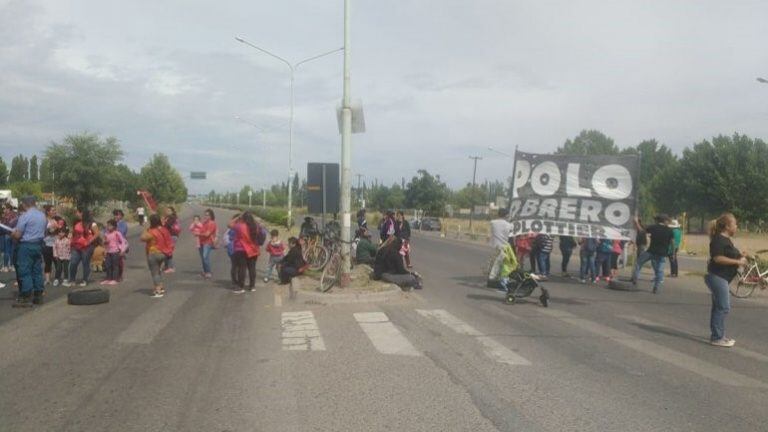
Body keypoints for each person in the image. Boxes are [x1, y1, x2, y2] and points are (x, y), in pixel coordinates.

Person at [705, 213, 745, 347]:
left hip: (722, 278)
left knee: (718, 307)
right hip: (717, 277)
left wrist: (742, 256)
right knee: (723, 307)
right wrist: (737, 261)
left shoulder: (726, 240)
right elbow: (718, 258)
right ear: (727, 226)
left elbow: (729, 255)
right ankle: (717, 338)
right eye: (735, 224)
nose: (736, 226)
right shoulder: (718, 240)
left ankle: (718, 335)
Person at [11, 196, 47, 306]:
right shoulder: (42, 216)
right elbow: (44, 231)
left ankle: (26, 295)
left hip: (26, 245)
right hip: (38, 245)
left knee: (24, 270)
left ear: (25, 204)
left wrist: (12, 233)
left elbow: (18, 235)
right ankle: (38, 294)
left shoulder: (25, 216)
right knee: (37, 270)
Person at [632, 214, 674, 293]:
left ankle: (635, 278)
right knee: (659, 270)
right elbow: (672, 243)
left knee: (638, 262)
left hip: (651, 251)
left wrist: (636, 222)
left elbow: (641, 231)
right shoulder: (669, 230)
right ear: (665, 221)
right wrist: (673, 253)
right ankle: (656, 287)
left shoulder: (653, 227)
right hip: (662, 253)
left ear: (657, 221)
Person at [140, 214, 174, 298]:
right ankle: (161, 287)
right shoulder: (164, 229)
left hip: (154, 253)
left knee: (154, 273)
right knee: (158, 271)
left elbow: (143, 238)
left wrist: (145, 228)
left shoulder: (151, 231)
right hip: (164, 253)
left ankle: (158, 290)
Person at [65, 208, 100, 287]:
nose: (76, 214)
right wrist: (70, 238)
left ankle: (85, 280)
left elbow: (97, 234)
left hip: (87, 247)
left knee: (85, 263)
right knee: (73, 262)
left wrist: (89, 242)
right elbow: (73, 232)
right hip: (76, 246)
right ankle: (72, 280)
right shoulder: (76, 222)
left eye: (77, 212)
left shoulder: (92, 223)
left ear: (82, 213)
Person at [229, 211, 260, 293]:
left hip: (241, 249)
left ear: (243, 218)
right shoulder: (255, 226)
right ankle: (252, 286)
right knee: (252, 268)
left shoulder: (240, 226)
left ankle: (241, 287)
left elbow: (229, 224)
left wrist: (238, 217)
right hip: (253, 250)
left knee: (242, 268)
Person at [101, 219, 128, 285]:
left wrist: (122, 251)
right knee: (108, 266)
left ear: (114, 226)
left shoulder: (117, 233)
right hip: (108, 252)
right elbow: (104, 242)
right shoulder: (106, 233)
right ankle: (108, 278)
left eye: (110, 226)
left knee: (115, 266)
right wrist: (105, 243)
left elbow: (123, 242)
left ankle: (115, 279)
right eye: (107, 225)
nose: (108, 227)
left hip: (115, 252)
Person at [194, 209, 217, 279]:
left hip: (208, 242)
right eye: (205, 214)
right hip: (201, 242)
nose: (205, 216)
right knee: (203, 258)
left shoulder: (212, 223)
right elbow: (200, 231)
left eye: (207, 215)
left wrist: (199, 233)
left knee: (205, 257)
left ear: (211, 216)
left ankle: (208, 272)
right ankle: (205, 271)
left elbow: (207, 234)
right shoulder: (204, 223)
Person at [42, 205, 57, 285]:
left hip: (55, 244)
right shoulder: (44, 220)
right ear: (48, 212)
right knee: (48, 262)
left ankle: (57, 278)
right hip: (46, 244)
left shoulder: (56, 220)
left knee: (57, 262)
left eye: (55, 210)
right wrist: (50, 230)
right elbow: (42, 231)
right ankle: (47, 279)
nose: (54, 211)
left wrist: (57, 229)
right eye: (52, 210)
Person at [163, 206, 181, 273]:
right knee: (165, 251)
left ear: (172, 211)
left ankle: (171, 267)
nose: (167, 211)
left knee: (168, 251)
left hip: (172, 236)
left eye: (169, 210)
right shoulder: (167, 217)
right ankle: (166, 266)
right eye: (166, 210)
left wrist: (162, 223)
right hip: (168, 236)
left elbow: (167, 225)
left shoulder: (172, 217)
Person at [113, 209, 129, 281]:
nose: (116, 216)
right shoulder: (112, 223)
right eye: (115, 214)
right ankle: (113, 275)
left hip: (120, 244)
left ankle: (119, 275)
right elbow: (105, 231)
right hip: (112, 244)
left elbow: (121, 233)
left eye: (118, 215)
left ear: (121, 216)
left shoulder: (123, 224)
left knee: (119, 261)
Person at [2, 203, 18, 272]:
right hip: (14, 234)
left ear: (8, 209)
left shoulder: (5, 216)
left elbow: (3, 225)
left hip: (7, 234)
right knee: (12, 251)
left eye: (5, 208)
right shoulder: (15, 215)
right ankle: (12, 266)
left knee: (6, 251)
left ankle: (5, 266)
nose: (4, 210)